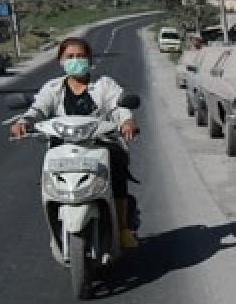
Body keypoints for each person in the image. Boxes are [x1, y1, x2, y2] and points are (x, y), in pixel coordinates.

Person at [10, 36, 141, 249]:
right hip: (63, 148)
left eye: (80, 56)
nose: (75, 60)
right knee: (47, 179)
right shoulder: (52, 88)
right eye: (70, 56)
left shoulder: (104, 85)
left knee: (117, 169)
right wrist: (23, 122)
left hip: (101, 144)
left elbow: (118, 106)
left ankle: (123, 228)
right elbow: (38, 109)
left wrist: (127, 120)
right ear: (60, 60)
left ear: (89, 59)